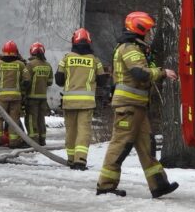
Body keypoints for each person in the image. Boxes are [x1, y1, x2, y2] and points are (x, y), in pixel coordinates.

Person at [96, 11, 179, 198]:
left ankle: (159, 184)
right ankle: (105, 185)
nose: (150, 34)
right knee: (120, 144)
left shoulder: (134, 47)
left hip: (137, 106)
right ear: (140, 29)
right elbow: (139, 73)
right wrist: (162, 72)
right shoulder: (129, 48)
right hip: (128, 107)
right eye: (148, 30)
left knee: (146, 146)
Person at [56, 28, 103, 169]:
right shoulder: (95, 60)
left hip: (69, 102)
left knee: (71, 131)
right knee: (83, 130)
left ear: (74, 41)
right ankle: (80, 160)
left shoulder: (66, 58)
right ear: (89, 42)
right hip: (87, 103)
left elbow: (58, 80)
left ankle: (71, 159)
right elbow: (102, 81)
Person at [0, 41, 30, 148]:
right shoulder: (20, 64)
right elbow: (27, 80)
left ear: (4, 52)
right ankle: (14, 142)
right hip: (16, 97)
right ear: (15, 52)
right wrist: (21, 89)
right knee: (13, 119)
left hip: (2, 97)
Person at [24, 42, 53, 146]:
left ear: (32, 52)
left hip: (32, 98)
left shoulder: (30, 65)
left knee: (32, 119)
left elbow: (26, 81)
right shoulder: (48, 65)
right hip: (43, 97)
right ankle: (42, 140)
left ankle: (33, 140)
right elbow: (50, 82)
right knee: (41, 118)